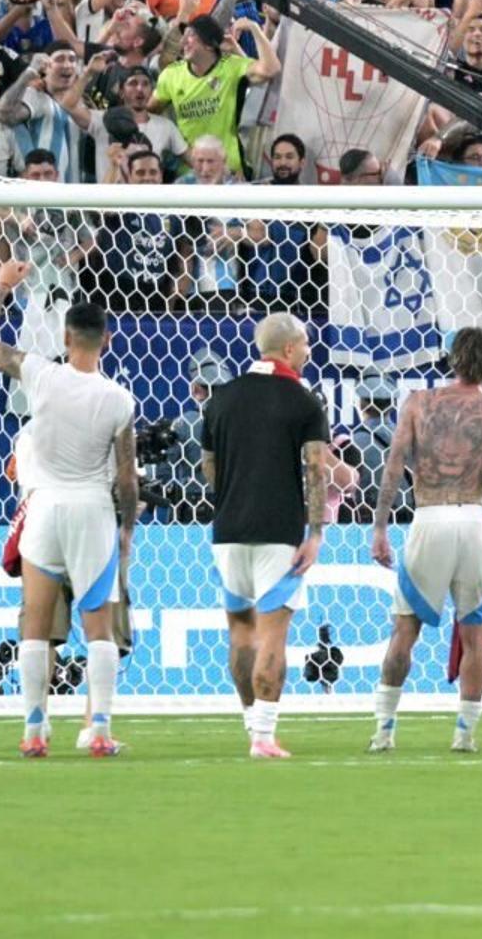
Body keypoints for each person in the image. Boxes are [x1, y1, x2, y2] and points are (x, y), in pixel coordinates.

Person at [0, 262, 136, 759]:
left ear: (66, 336)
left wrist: (1, 288)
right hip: (91, 511)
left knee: (37, 624)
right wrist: (127, 528)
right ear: (105, 340)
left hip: (42, 509)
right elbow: (126, 477)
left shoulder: (40, 374)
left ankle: (35, 728)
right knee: (99, 626)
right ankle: (100, 728)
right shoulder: (119, 399)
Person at [363, 325, 482, 756]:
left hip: (429, 517)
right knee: (475, 636)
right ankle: (465, 735)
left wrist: (379, 528)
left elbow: (393, 467)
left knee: (404, 631)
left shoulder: (418, 404)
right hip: (474, 520)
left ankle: (384, 730)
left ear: (451, 359)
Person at [197, 310, 336, 760]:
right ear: (291, 348)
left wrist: (234, 495)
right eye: (308, 344)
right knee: (273, 636)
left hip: (228, 530)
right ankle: (264, 737)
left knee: (240, 632)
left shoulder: (221, 399)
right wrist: (315, 533)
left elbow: (208, 469)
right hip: (279, 531)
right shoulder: (303, 401)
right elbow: (316, 470)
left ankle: (250, 727)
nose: (310, 352)